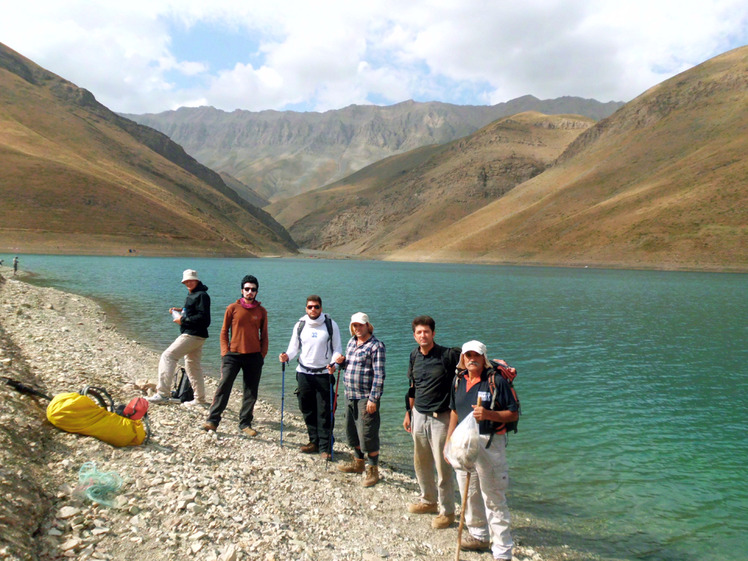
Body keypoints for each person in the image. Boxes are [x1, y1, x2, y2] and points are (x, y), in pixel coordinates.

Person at [446, 340, 519, 560]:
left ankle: (502, 551)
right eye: (467, 355)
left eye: (475, 355)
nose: (471, 359)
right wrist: (448, 441)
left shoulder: (495, 381)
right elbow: (453, 413)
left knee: (493, 496)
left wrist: (489, 415)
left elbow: (513, 414)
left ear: (484, 357)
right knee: (469, 492)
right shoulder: (458, 380)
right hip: (463, 443)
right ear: (463, 359)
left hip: (490, 443)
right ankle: (479, 535)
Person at [403, 316, 460, 529]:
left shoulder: (448, 355)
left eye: (426, 332)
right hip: (419, 415)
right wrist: (408, 412)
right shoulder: (414, 356)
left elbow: (473, 365)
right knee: (421, 461)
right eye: (419, 332)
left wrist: (498, 367)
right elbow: (412, 386)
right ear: (414, 335)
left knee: (443, 466)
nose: (423, 335)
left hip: (441, 417)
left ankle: (447, 512)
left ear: (433, 333)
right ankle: (428, 500)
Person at [203, 275, 268, 436]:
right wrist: (225, 352)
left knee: (251, 392)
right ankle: (212, 420)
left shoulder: (261, 311)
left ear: (256, 292)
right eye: (247, 289)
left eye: (253, 290)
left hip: (253, 356)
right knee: (224, 387)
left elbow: (264, 335)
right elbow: (224, 331)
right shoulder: (232, 308)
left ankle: (245, 424)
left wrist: (262, 355)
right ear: (242, 290)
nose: (250, 292)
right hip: (233, 355)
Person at [279, 295, 343, 460]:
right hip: (304, 373)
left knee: (325, 412)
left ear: (321, 308)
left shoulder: (330, 324)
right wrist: (287, 356)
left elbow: (337, 349)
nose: (313, 310)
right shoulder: (300, 325)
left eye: (316, 307)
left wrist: (333, 364)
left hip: (324, 374)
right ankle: (313, 441)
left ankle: (325, 447)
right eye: (310, 307)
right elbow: (294, 347)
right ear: (305, 308)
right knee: (306, 408)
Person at [334, 312, 385, 487]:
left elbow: (379, 375)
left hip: (366, 397)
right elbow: (348, 365)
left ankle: (373, 470)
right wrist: (340, 363)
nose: (357, 328)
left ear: (368, 326)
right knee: (352, 431)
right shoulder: (351, 342)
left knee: (368, 433)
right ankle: (358, 463)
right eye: (355, 325)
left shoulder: (376, 346)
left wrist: (373, 399)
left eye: (361, 325)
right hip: (350, 394)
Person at [148, 269, 210, 405]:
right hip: (197, 336)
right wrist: (181, 311)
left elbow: (204, 319)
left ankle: (163, 394)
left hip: (192, 335)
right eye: (186, 281)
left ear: (197, 280)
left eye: (191, 280)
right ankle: (200, 399)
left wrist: (183, 321)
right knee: (192, 365)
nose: (188, 282)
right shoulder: (194, 294)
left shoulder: (201, 295)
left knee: (168, 356)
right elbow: (195, 312)